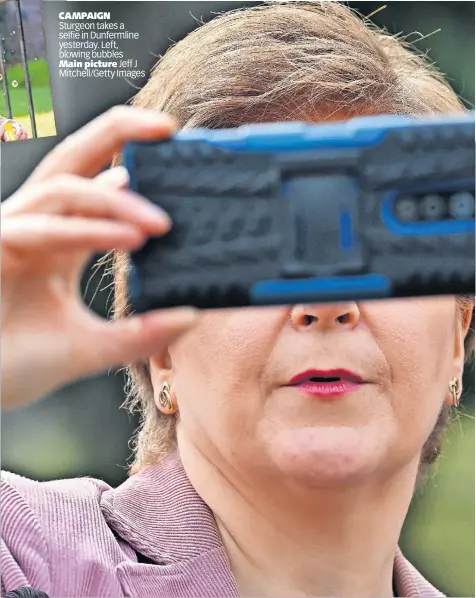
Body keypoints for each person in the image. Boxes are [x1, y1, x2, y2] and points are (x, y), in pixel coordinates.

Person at [1, 2, 474, 597]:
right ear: (161, 348)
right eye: (264, 248)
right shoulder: (23, 555)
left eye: (374, 245)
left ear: (458, 336)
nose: (327, 303)